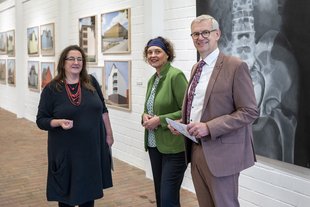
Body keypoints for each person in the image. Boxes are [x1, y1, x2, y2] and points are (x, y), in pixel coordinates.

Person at [170, 15, 259, 207]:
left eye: (205, 32)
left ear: (217, 34)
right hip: (195, 149)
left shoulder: (235, 66)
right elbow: (199, 106)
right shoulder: (196, 67)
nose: (200, 37)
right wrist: (183, 124)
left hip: (222, 153)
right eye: (195, 34)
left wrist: (209, 127)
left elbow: (249, 111)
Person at [36, 45, 113, 207]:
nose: (76, 62)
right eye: (71, 58)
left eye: (79, 59)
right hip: (66, 152)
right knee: (66, 197)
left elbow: (103, 111)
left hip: (91, 150)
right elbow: (41, 120)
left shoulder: (91, 83)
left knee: (88, 196)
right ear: (63, 62)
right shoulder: (52, 89)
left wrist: (109, 134)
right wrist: (58, 122)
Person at [142, 36, 188, 207]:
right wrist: (144, 116)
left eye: (157, 51)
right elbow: (150, 108)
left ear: (167, 54)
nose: (153, 55)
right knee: (161, 196)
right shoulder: (152, 80)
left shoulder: (175, 76)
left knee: (168, 198)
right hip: (155, 145)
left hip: (174, 148)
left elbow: (187, 110)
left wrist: (159, 120)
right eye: (149, 52)